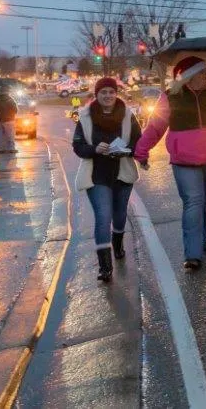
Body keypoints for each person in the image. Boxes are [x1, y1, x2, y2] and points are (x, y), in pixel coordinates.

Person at [134, 57, 206, 270]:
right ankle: (192, 253)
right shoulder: (170, 97)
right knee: (193, 201)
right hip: (184, 160)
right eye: (201, 73)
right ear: (189, 76)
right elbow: (156, 126)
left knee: (205, 199)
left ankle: (202, 237)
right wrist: (141, 151)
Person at [72, 77, 142, 282]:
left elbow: (139, 141)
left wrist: (129, 151)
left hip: (123, 171)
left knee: (120, 214)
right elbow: (78, 147)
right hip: (97, 175)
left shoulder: (128, 116)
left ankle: (118, 243)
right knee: (104, 216)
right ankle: (105, 266)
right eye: (104, 92)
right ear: (97, 94)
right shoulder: (85, 116)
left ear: (116, 93)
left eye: (112, 92)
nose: (108, 96)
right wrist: (95, 149)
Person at [0, 85, 19, 154]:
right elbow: (15, 109)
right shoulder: (9, 99)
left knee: (0, 135)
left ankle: (0, 149)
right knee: (10, 135)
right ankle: (11, 148)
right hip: (9, 120)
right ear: (7, 91)